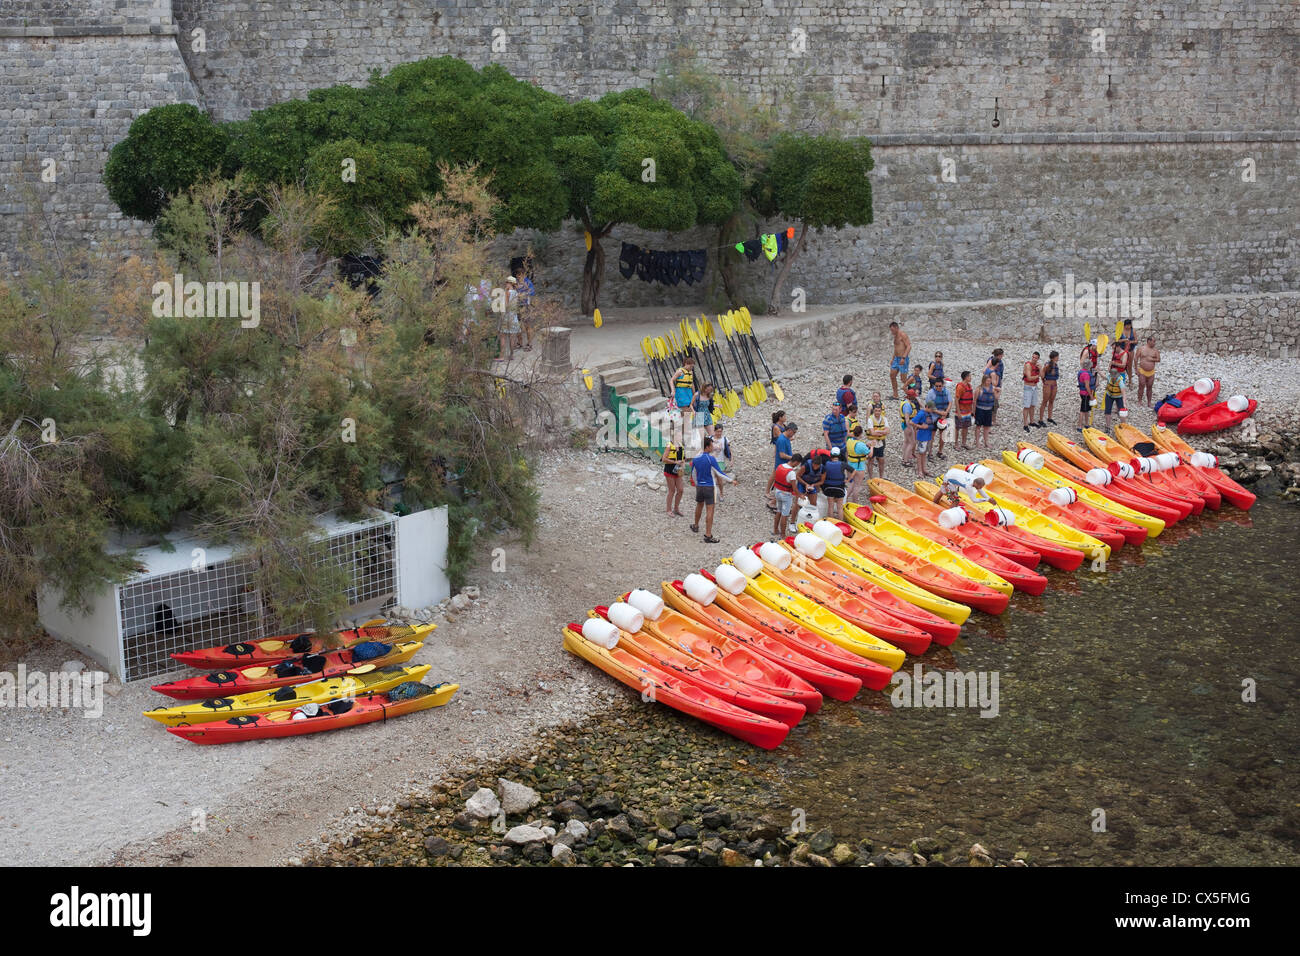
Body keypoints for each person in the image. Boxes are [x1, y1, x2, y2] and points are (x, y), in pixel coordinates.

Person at [689, 437, 734, 543]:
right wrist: (731, 480)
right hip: (710, 487)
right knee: (710, 510)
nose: (713, 447)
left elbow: (693, 474)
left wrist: (697, 484)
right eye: (712, 445)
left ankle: (695, 525)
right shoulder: (711, 459)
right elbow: (719, 473)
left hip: (700, 486)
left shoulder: (696, 459)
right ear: (708, 447)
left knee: (699, 505)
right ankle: (708, 535)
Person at [766, 453, 803, 540]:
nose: (797, 466)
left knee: (778, 511)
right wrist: (800, 495)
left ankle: (775, 530)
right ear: (796, 462)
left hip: (777, 492)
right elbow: (794, 488)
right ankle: (783, 535)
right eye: (797, 464)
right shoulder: (791, 473)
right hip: (786, 495)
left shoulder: (780, 466)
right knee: (785, 514)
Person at [926, 377, 951, 460]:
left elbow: (950, 402)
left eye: (940, 386)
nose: (938, 388)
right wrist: (940, 413)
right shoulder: (930, 393)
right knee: (931, 436)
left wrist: (946, 413)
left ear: (943, 385)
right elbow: (930, 406)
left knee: (943, 435)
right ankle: (929, 453)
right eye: (936, 386)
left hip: (944, 416)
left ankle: (940, 452)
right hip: (933, 417)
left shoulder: (946, 392)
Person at [912, 401, 937, 479]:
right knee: (920, 454)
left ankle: (924, 469)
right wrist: (920, 426)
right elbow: (911, 422)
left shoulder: (928, 413)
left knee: (924, 453)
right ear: (927, 407)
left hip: (928, 436)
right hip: (922, 437)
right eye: (931, 409)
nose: (932, 410)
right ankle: (920, 471)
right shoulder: (921, 413)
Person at [845, 425, 871, 500]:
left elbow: (852, 450)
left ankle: (844, 500)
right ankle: (855, 503)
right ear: (860, 434)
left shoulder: (849, 441)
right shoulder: (861, 444)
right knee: (857, 486)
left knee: (851, 484)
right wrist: (871, 446)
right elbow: (870, 454)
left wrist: (866, 445)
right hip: (859, 467)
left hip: (850, 465)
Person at [514, 265, 536, 351]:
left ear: (523, 274)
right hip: (516, 306)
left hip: (525, 306)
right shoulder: (515, 282)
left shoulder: (528, 282)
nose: (518, 276)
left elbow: (532, 292)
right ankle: (520, 343)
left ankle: (529, 343)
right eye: (517, 275)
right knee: (517, 325)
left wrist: (524, 294)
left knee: (527, 325)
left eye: (520, 274)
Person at [660, 442, 685, 516]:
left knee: (680, 490)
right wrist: (675, 462)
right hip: (669, 470)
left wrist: (683, 464)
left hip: (678, 470)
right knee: (672, 490)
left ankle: (676, 509)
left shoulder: (681, 445)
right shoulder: (669, 446)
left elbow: (683, 458)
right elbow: (664, 459)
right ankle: (668, 510)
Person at [1135, 336, 1160, 407]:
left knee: (1150, 386)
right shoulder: (1141, 349)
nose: (1154, 343)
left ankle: (1149, 402)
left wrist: (1151, 359)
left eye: (1154, 341)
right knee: (1141, 385)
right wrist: (1136, 369)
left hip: (1151, 372)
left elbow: (1158, 359)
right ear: (1148, 341)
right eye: (1153, 341)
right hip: (1142, 370)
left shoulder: (1155, 350)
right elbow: (1136, 358)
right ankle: (1139, 401)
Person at [866, 402, 890, 478]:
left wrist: (878, 432)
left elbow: (888, 431)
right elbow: (872, 432)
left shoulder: (884, 419)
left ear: (881, 411)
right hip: (872, 442)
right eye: (876, 410)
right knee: (871, 460)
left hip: (880, 442)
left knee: (881, 459)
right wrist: (882, 432)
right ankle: (870, 477)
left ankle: (881, 476)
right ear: (873, 411)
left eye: (879, 411)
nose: (877, 412)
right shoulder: (870, 419)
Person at [888, 321, 911, 399]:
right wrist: (892, 359)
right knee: (892, 375)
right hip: (896, 359)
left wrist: (903, 358)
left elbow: (908, 346)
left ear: (897, 328)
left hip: (903, 359)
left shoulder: (903, 335)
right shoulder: (895, 336)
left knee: (903, 379)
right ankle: (895, 395)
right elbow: (896, 349)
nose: (892, 332)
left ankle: (914, 388)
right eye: (891, 330)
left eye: (893, 330)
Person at [822, 451, 847, 520]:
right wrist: (848, 480)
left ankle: (831, 522)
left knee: (830, 506)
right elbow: (853, 470)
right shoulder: (842, 464)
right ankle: (840, 523)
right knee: (840, 507)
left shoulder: (827, 464)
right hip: (840, 487)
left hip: (829, 487)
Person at [974, 372, 996, 449]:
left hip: (988, 410)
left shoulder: (992, 388)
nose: (989, 382)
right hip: (980, 409)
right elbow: (975, 401)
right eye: (987, 381)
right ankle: (977, 443)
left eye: (990, 381)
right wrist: (973, 412)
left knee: (987, 427)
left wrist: (998, 391)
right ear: (983, 381)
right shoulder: (979, 389)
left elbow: (995, 398)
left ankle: (986, 442)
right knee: (978, 426)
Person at [953, 370, 975, 450]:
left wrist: (972, 410)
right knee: (957, 427)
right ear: (966, 377)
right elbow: (956, 399)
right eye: (969, 376)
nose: (970, 377)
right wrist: (958, 412)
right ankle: (956, 444)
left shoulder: (969, 386)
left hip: (968, 410)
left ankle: (963, 443)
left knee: (966, 427)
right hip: (961, 410)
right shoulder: (960, 387)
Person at [711, 423, 732, 502]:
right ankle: (712, 494)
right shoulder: (710, 439)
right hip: (711, 461)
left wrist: (731, 459)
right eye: (717, 431)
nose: (719, 433)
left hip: (720, 461)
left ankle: (721, 493)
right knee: (712, 478)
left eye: (720, 431)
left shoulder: (725, 439)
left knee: (719, 479)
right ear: (714, 431)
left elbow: (729, 449)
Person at [1022, 350, 1042, 433]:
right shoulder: (1028, 365)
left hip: (1034, 387)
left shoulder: (1037, 365)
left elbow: (1043, 375)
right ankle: (1025, 423)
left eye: (1035, 358)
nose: (1034, 359)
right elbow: (1029, 377)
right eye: (1033, 357)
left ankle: (1032, 421)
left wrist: (1041, 369)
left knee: (1033, 405)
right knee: (1026, 406)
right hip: (1028, 387)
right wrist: (1038, 376)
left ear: (1038, 358)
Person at [899, 388, 920, 468]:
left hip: (904, 424)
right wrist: (910, 428)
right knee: (912, 442)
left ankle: (904, 458)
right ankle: (906, 461)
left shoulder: (904, 402)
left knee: (906, 442)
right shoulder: (907, 405)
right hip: (907, 425)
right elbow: (907, 418)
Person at [1038, 350, 1060, 425]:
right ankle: (1040, 419)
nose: (1058, 358)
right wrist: (1044, 382)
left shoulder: (1056, 365)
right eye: (1057, 357)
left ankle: (1049, 417)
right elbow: (1042, 374)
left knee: (1051, 401)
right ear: (1054, 357)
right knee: (1045, 401)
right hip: (1048, 384)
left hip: (1054, 384)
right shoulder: (1047, 365)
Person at [671, 355, 696, 420]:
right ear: (686, 364)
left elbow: (691, 383)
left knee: (689, 409)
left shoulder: (691, 372)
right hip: (681, 393)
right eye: (691, 366)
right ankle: (686, 427)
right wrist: (673, 391)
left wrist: (694, 394)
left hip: (689, 392)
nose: (691, 368)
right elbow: (671, 380)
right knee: (686, 410)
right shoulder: (680, 371)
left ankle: (685, 426)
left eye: (692, 367)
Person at [984, 349, 1005, 425]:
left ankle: (993, 420)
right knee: (993, 403)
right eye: (1001, 355)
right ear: (998, 355)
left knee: (994, 402)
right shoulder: (992, 361)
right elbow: (985, 370)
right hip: (993, 386)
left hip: (995, 383)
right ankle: (991, 421)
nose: (1002, 356)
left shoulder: (999, 362)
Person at [1117, 319, 1137, 389]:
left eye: (1129, 325)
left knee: (1129, 366)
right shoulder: (1121, 330)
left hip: (1130, 350)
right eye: (1126, 325)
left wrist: (1130, 342)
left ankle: (1130, 381)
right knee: (1122, 365)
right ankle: (1121, 380)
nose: (1128, 327)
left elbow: (1136, 341)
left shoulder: (1133, 331)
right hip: (1122, 350)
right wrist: (1124, 340)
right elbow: (1118, 340)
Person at [1077, 363, 1096, 431]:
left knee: (1087, 409)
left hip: (1083, 393)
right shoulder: (1086, 374)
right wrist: (1091, 395)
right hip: (1085, 394)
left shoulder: (1082, 371)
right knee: (1083, 410)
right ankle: (1079, 426)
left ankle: (1086, 424)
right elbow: (1087, 386)